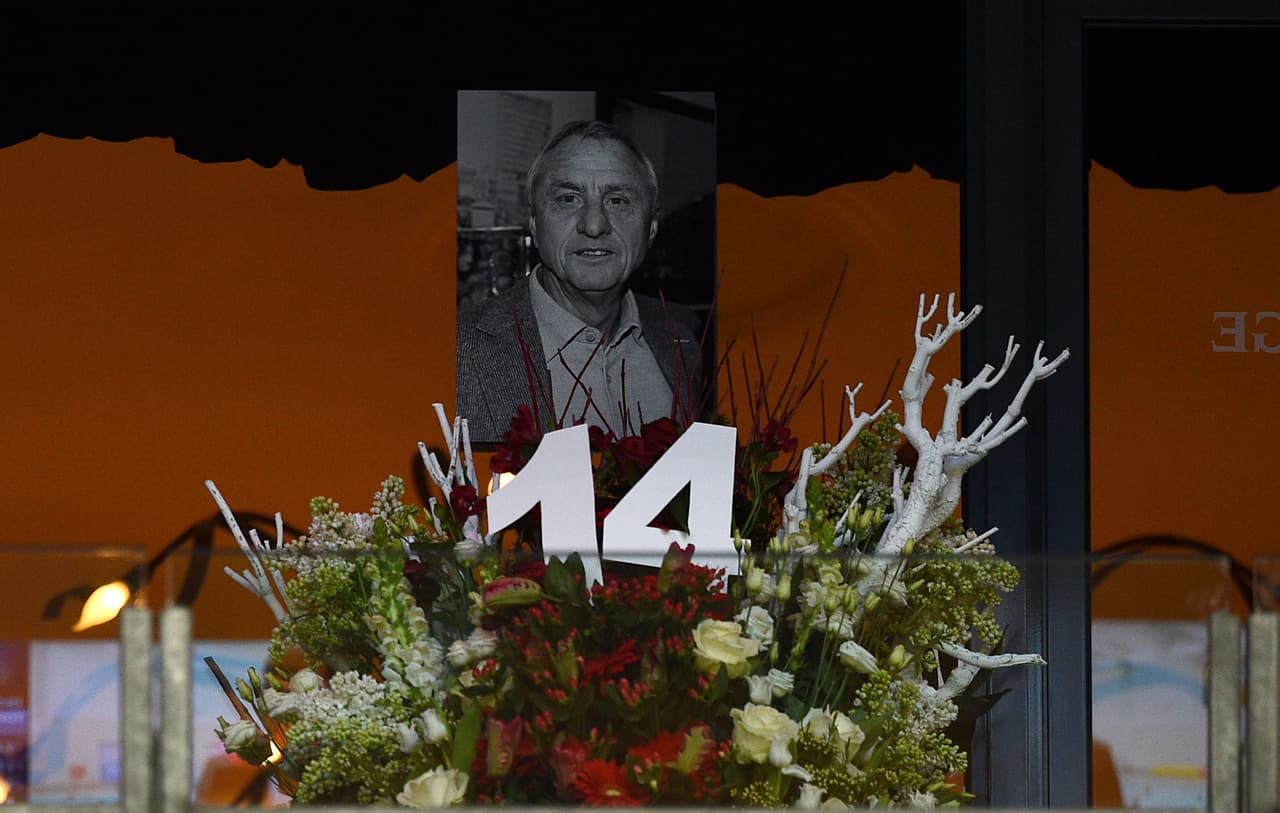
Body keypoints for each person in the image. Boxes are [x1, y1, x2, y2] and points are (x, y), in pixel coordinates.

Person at [456, 120, 706, 443]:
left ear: (652, 228)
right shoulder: (459, 351)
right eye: (568, 199)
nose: (594, 224)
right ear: (534, 223)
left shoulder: (685, 336)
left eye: (618, 200)